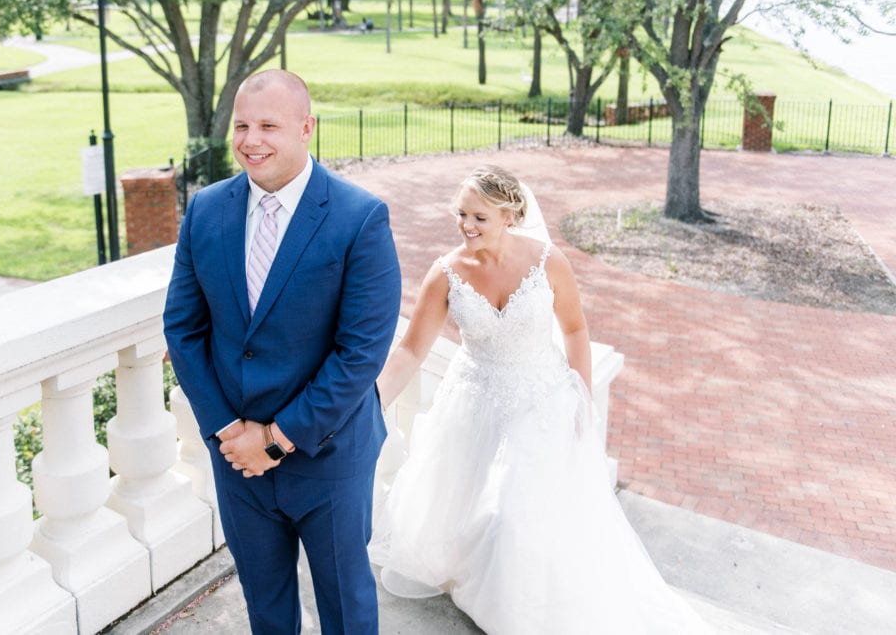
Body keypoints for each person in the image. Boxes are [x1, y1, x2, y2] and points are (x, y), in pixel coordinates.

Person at [369, 166, 711, 634]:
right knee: (457, 502)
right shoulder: (446, 273)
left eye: (479, 217)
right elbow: (410, 350)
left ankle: (521, 603)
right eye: (461, 215)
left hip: (541, 395)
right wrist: (372, 403)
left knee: (518, 511)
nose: (467, 226)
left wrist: (581, 401)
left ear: (510, 215)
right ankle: (476, 574)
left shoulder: (549, 261)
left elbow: (575, 329)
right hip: (474, 395)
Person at [163, 69, 402, 635]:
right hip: (237, 457)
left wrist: (275, 438)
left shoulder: (359, 217)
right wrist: (229, 431)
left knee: (346, 609)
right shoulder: (206, 210)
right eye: (242, 125)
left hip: (329, 456)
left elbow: (361, 352)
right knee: (265, 608)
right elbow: (184, 328)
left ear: (306, 128)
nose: (252, 140)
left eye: (269, 125)